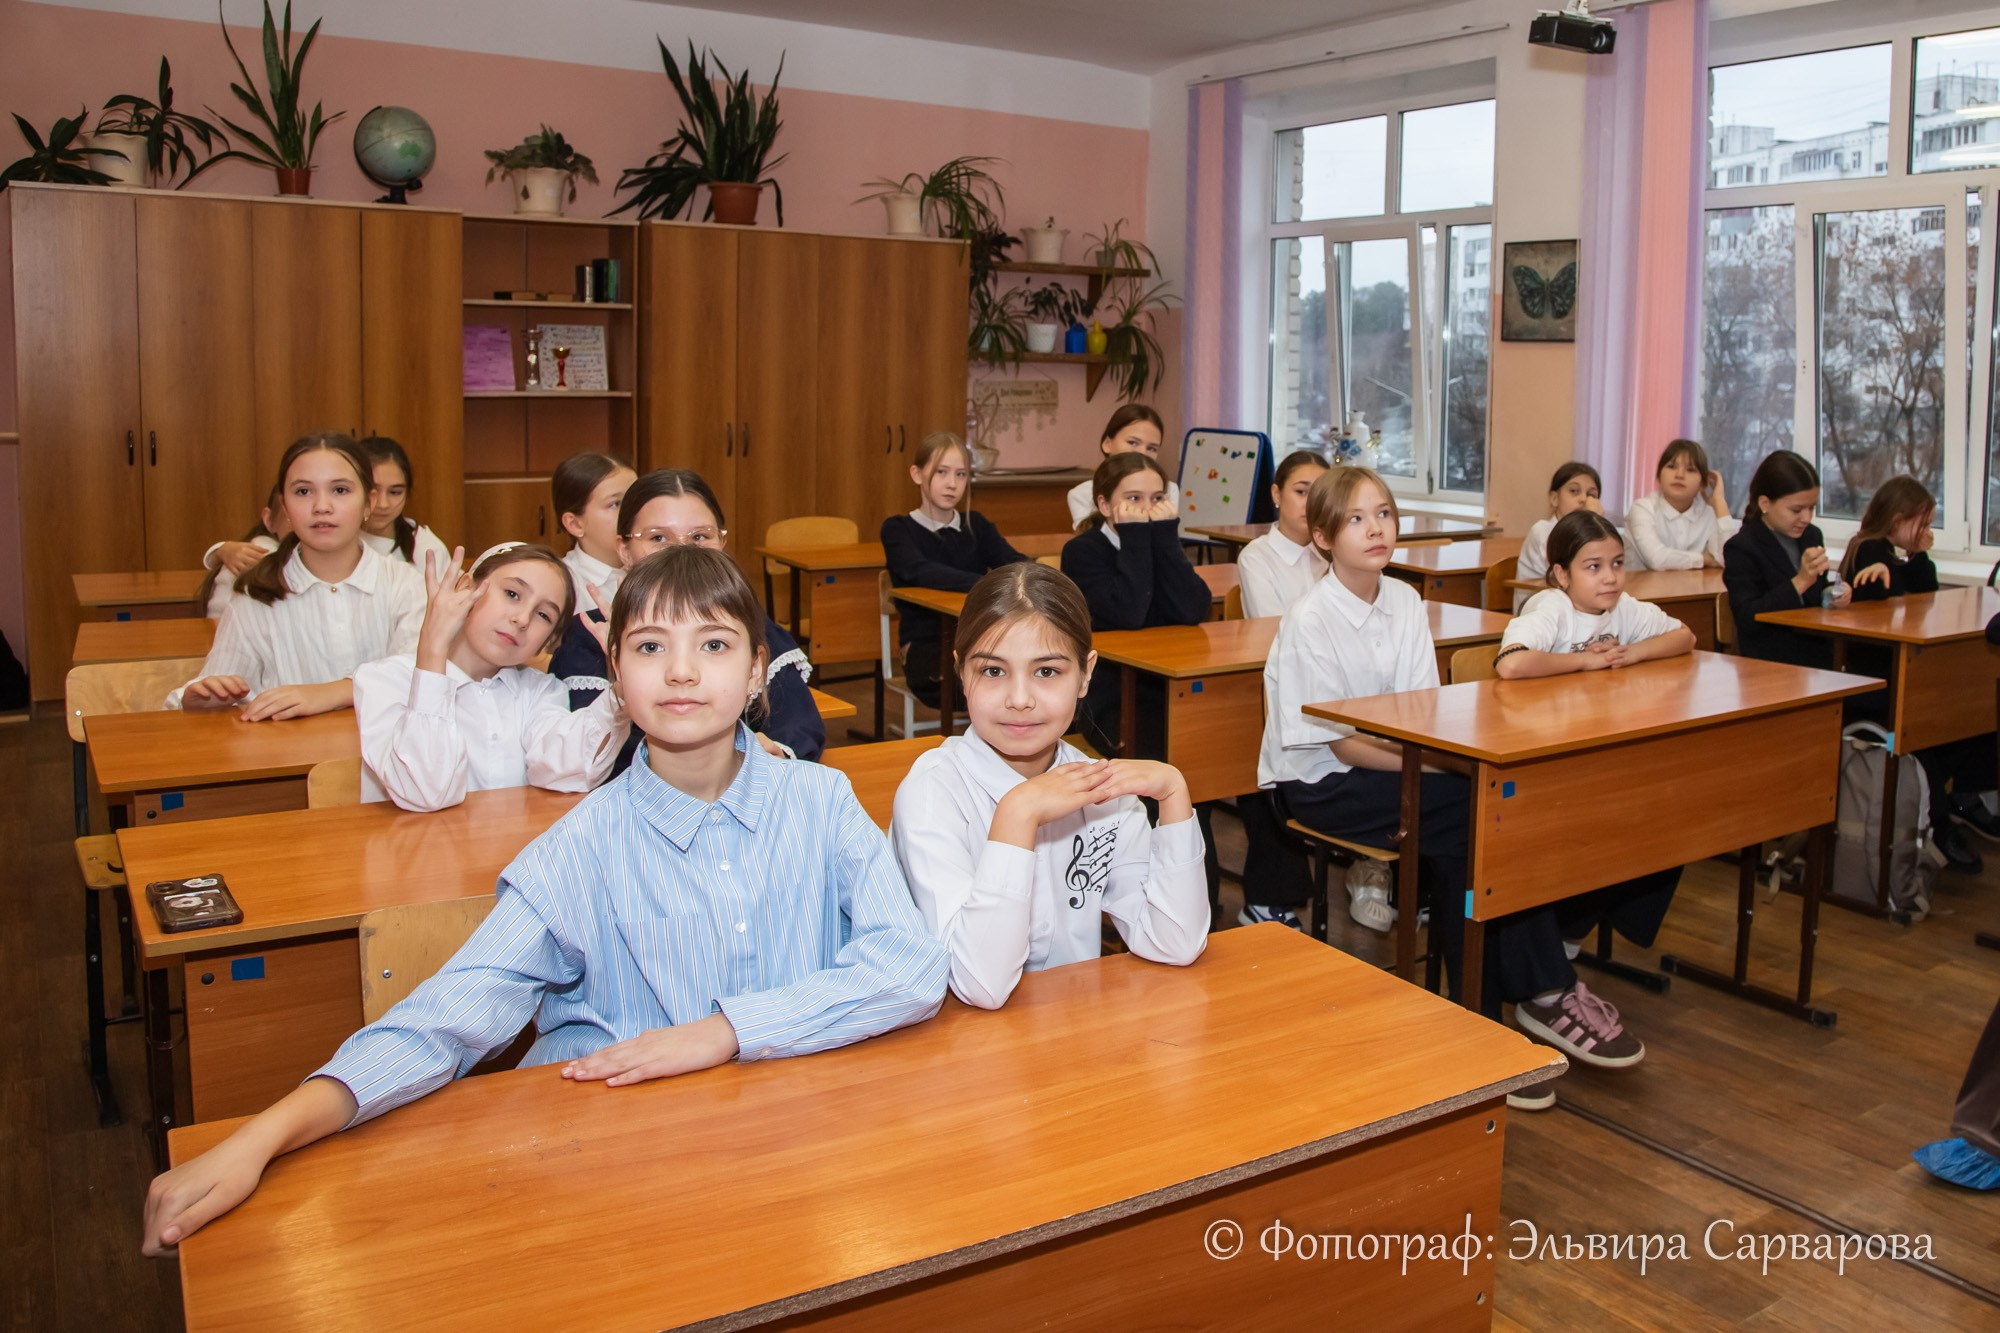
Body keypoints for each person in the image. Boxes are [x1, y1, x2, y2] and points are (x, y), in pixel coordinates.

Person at [139, 546, 949, 1258]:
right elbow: (448, 1016)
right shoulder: (581, 844)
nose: (680, 671)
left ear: (755, 670)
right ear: (614, 674)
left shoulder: (821, 801)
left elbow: (910, 965)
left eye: (713, 644)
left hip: (800, 1149)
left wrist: (725, 1030)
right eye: (650, 646)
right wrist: (262, 1136)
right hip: (627, 1170)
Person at [891, 562, 1207, 1009]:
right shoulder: (933, 792)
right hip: (956, 1037)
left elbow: (1176, 942)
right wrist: (1019, 813)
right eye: (993, 671)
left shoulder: (1103, 791)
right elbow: (980, 984)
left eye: (1047, 672)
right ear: (961, 671)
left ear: (1086, 674)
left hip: (1069, 1027)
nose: (1020, 699)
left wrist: (1173, 792)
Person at [547, 468, 823, 767]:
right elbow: (582, 758)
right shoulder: (589, 634)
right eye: (658, 537)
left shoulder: (745, 624)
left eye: (700, 536)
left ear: (722, 544)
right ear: (624, 550)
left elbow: (796, 723)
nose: (681, 550)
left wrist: (774, 752)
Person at [353, 542, 626, 811]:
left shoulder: (540, 691)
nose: (522, 619)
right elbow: (425, 792)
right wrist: (433, 649)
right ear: (466, 589)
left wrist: (622, 692)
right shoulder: (384, 679)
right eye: (512, 593)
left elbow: (569, 771)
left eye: (543, 615)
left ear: (548, 641)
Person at [167, 433, 423, 716]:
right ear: (285, 507)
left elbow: (422, 673)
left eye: (340, 490)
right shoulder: (255, 596)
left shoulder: (406, 584)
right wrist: (202, 700)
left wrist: (335, 691)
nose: (321, 506)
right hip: (288, 745)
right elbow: (220, 683)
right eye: (303, 492)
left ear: (368, 503)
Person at [880, 432, 1026, 707]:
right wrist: (986, 583)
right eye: (942, 472)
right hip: (928, 650)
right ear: (917, 474)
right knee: (993, 687)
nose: (952, 484)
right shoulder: (898, 529)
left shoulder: (975, 524)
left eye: (961, 475)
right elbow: (920, 571)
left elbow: (1014, 561)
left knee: (1029, 679)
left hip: (983, 642)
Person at [1624, 438, 1736, 571]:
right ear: (1658, 477)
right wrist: (1705, 559)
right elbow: (1656, 558)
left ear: (1703, 484)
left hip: (1694, 585)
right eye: (1672, 466)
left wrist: (1719, 501)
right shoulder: (1643, 508)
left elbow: (1731, 558)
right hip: (1642, 585)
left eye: (1690, 469)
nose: (1679, 475)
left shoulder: (1709, 513)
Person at [1064, 405, 1179, 529]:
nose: (1142, 453)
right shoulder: (1082, 494)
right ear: (1107, 444)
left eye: (1151, 448)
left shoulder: (1169, 490)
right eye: (1132, 442)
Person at [550, 451, 637, 607]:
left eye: (635, 499)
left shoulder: (654, 563)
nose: (633, 511)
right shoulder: (562, 586)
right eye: (615, 504)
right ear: (574, 524)